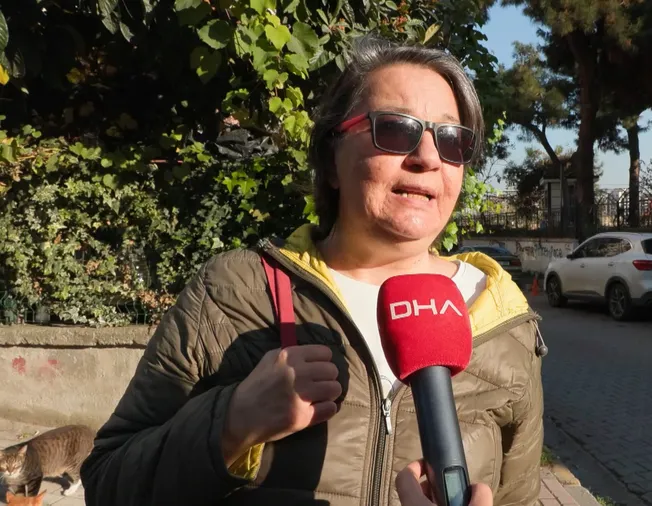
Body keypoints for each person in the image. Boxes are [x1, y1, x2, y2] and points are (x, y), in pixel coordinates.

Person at [81, 34, 546, 506]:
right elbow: (107, 483)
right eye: (394, 128)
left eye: (451, 139)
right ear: (331, 159)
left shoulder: (505, 324)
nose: (427, 158)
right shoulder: (234, 293)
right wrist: (231, 423)